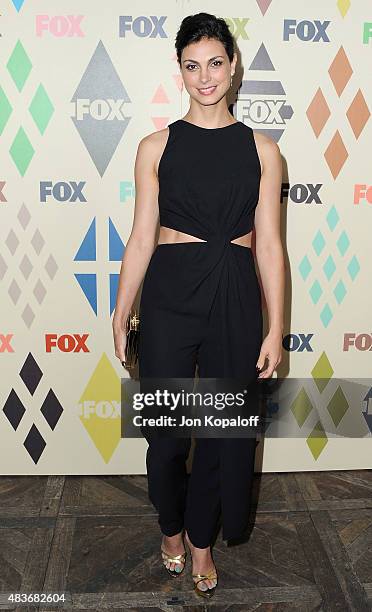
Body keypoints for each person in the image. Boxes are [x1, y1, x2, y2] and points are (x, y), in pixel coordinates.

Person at [113, 12, 284, 600]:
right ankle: (170, 526)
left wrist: (277, 327)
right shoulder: (154, 147)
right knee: (165, 431)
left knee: (221, 430)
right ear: (179, 71)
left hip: (235, 289)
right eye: (192, 66)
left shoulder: (263, 152)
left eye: (215, 63)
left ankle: (202, 541)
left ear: (233, 66)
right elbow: (140, 236)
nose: (205, 76)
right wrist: (120, 310)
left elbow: (270, 245)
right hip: (170, 289)